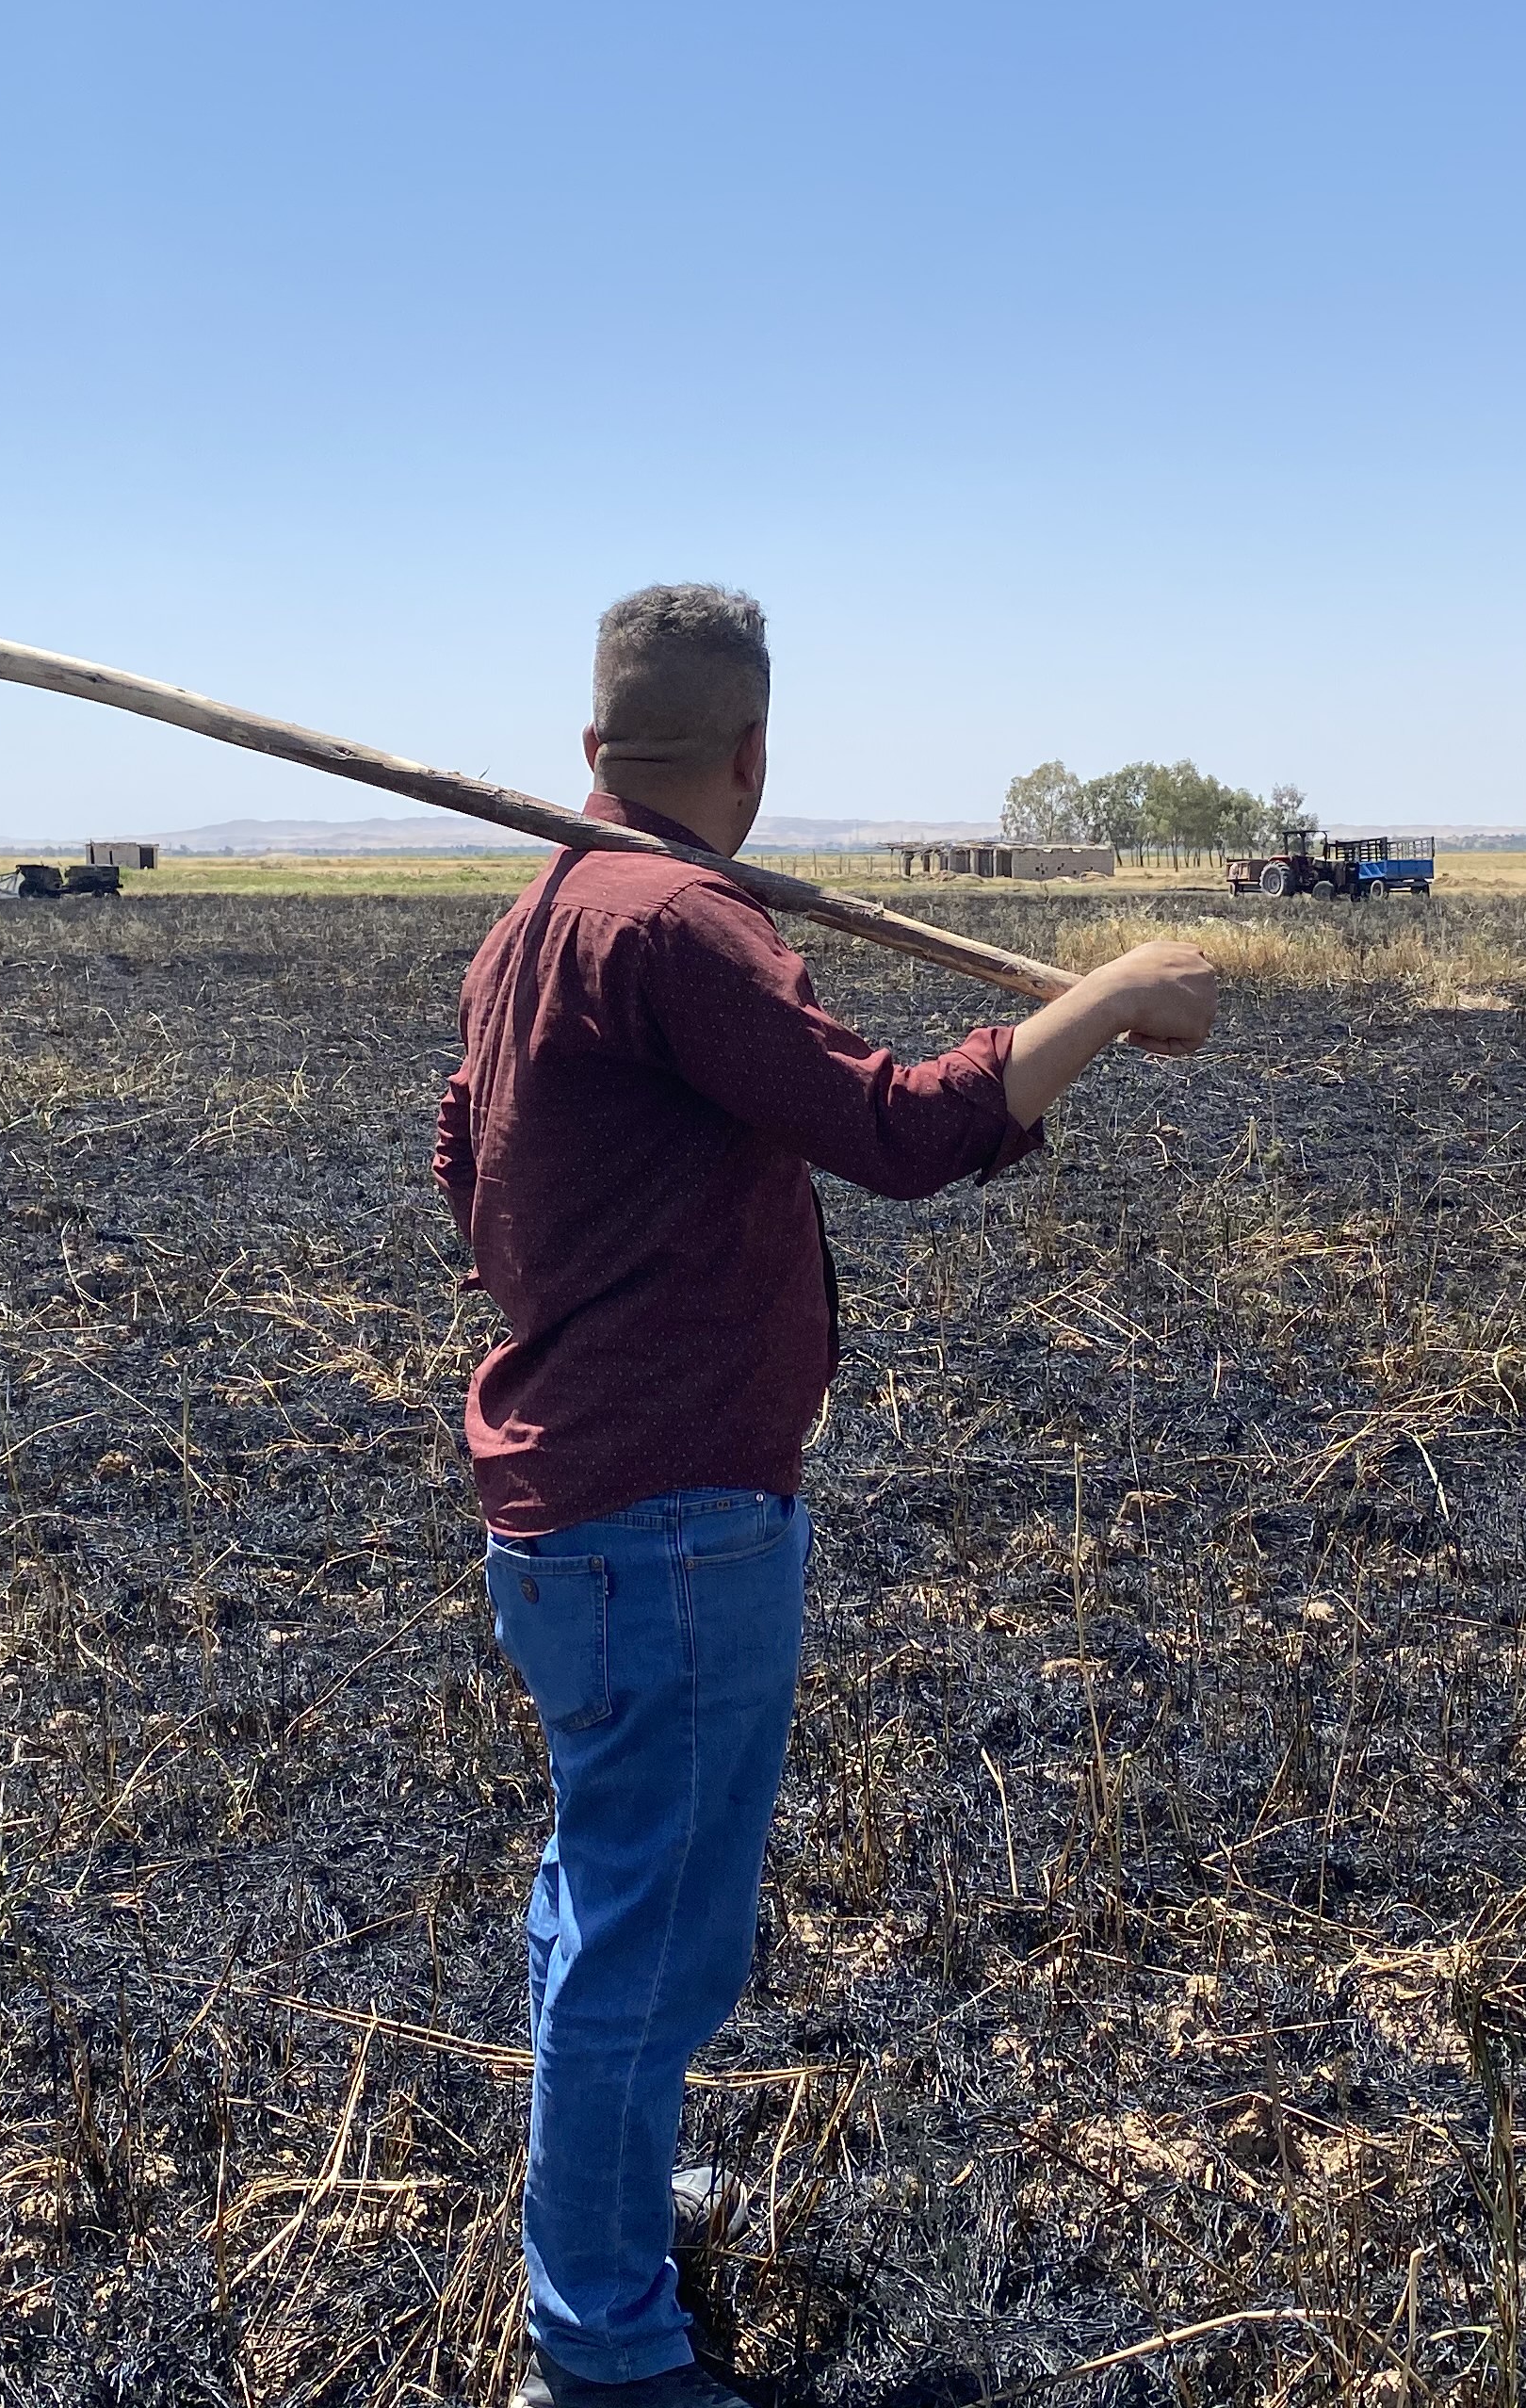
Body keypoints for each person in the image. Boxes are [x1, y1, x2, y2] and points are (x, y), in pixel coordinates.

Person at [432, 584, 1222, 2406]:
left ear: (591, 750)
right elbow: (893, 1131)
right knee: (649, 1936)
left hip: (571, 1508)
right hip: (670, 1521)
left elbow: (464, 1164)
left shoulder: (537, 923)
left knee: (601, 1902)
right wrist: (1102, 1001)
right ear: (754, 755)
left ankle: (606, 2207)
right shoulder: (682, 923)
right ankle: (609, 2354)